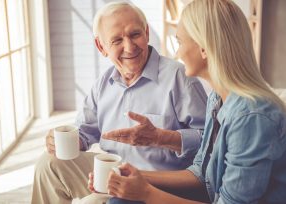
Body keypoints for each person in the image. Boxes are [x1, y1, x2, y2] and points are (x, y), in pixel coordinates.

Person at [103, 0, 286, 203]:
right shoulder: (218, 99)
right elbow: (201, 173)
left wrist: (146, 192)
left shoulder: (251, 117)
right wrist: (135, 176)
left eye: (180, 42)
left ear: (204, 49)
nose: (176, 53)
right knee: (121, 199)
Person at [31, 2, 207, 204]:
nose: (129, 47)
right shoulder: (103, 84)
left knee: (92, 202)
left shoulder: (181, 78)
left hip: (158, 184)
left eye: (135, 35)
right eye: (117, 40)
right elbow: (84, 131)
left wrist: (162, 138)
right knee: (49, 163)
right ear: (101, 46)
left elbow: (211, 142)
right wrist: (62, 140)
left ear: (147, 32)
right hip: (109, 173)